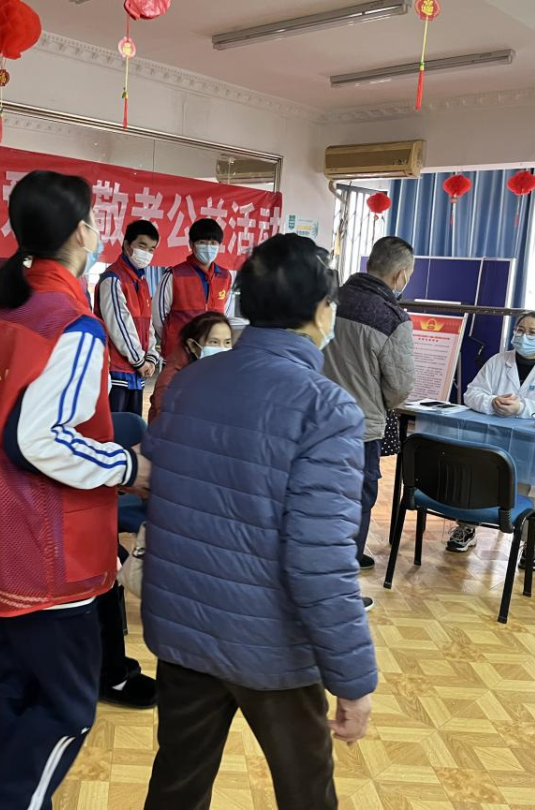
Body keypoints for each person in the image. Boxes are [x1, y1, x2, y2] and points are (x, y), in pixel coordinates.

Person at [142, 234, 376, 810]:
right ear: (321, 311)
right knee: (306, 794)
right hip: (271, 645)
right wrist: (353, 678)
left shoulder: (191, 382)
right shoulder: (326, 407)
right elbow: (320, 560)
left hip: (185, 627)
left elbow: (159, 491)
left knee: (177, 786)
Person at [0, 170, 149, 810]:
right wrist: (125, 466)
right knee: (68, 708)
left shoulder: (4, 313)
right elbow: (39, 441)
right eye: (94, 219)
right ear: (82, 232)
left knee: (10, 700)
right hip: (46, 551)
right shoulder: (72, 324)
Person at [321, 236, 416, 592]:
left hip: (316, 417)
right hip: (359, 426)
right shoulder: (392, 317)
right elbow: (400, 386)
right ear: (401, 275)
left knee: (319, 489)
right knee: (357, 495)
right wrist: (379, 401)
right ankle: (344, 567)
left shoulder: (329, 299)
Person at [454, 311, 535, 570]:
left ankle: (533, 542)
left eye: (532, 333)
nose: (524, 336)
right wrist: (492, 402)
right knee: (476, 475)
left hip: (534, 445)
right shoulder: (499, 361)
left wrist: (522, 407)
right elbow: (472, 393)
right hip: (492, 439)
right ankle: (467, 527)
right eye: (520, 330)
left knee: (527, 488)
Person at [95, 220, 161, 415]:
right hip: (116, 371)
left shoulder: (142, 281)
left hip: (136, 371)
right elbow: (119, 326)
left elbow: (148, 324)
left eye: (151, 249)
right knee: (115, 427)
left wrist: (151, 356)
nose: (146, 253)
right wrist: (140, 361)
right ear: (126, 244)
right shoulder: (113, 279)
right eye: (142, 246)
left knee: (132, 426)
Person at [153, 217, 235, 360]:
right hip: (179, 353)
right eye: (202, 242)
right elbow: (158, 316)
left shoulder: (225, 277)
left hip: (212, 353)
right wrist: (171, 338)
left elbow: (226, 315)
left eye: (213, 243)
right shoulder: (174, 274)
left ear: (219, 245)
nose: (208, 247)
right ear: (191, 244)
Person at [148, 311, 232, 423]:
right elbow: (169, 423)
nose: (222, 348)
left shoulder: (221, 373)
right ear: (192, 345)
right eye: (214, 342)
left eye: (227, 342)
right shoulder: (171, 380)